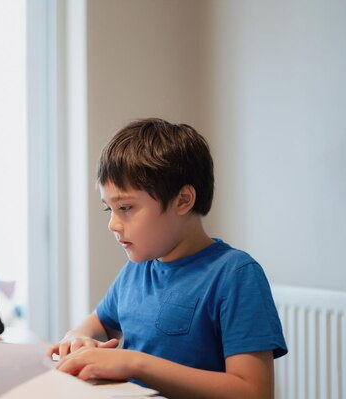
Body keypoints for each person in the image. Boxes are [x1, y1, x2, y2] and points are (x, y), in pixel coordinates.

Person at [47, 118, 287, 398]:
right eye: (108, 209)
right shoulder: (136, 270)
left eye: (125, 207)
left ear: (183, 200)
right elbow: (99, 321)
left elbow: (253, 391)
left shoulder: (235, 274)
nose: (112, 224)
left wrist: (134, 363)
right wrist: (75, 338)